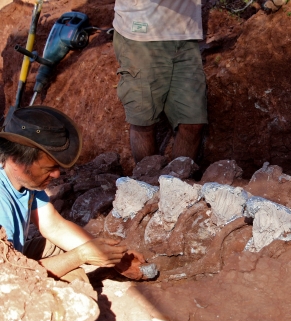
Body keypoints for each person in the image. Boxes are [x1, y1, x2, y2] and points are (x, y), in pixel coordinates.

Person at [0, 106, 127, 282]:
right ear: (17, 161)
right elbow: (10, 275)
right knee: (75, 279)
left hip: (13, 255)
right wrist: (80, 255)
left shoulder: (24, 181)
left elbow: (53, 226)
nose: (57, 175)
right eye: (49, 168)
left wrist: (114, 257)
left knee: (59, 248)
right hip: (7, 274)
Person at [112, 0, 208, 163]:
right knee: (144, 122)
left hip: (185, 35)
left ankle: (178, 183)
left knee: (192, 122)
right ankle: (148, 183)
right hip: (141, 35)